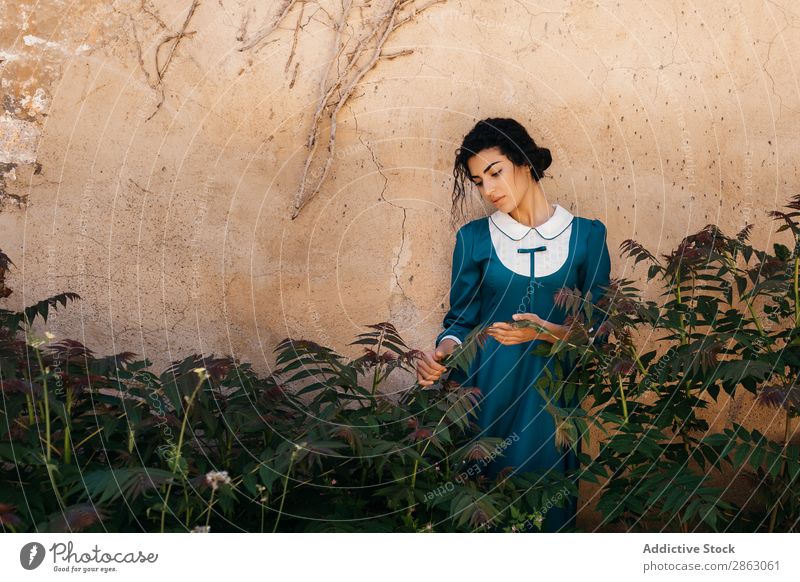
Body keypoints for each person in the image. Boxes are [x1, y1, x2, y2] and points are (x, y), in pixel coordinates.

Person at [414, 118, 612, 532]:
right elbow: (460, 322)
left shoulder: (587, 237)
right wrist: (439, 357)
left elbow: (600, 332)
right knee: (480, 512)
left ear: (524, 162)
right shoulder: (474, 240)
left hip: (550, 401)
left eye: (495, 172)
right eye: (477, 181)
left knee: (545, 513)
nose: (488, 190)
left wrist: (546, 332)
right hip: (484, 395)